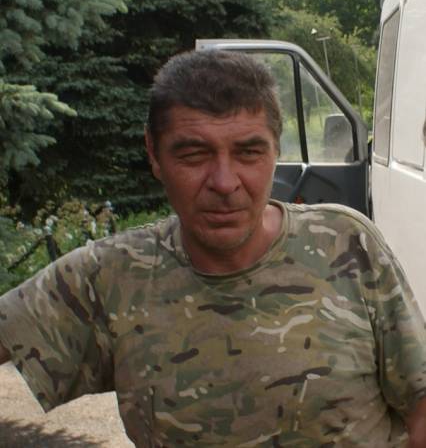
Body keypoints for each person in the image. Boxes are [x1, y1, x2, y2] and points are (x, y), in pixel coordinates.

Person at [1, 50, 426, 448]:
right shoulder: (112, 274)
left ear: (276, 149)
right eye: (194, 155)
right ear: (154, 154)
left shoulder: (347, 243)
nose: (224, 182)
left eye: (248, 152)